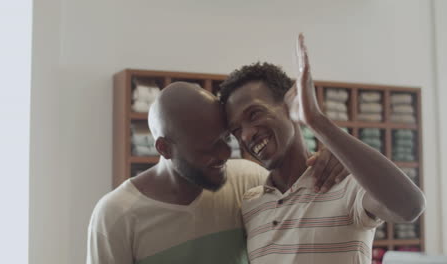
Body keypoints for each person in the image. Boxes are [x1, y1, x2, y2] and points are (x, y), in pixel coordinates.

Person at [86, 82, 349, 264]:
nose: (225, 153)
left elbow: (301, 195)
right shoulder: (116, 216)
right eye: (208, 148)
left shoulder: (246, 181)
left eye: (225, 138)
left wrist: (337, 158)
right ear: (165, 148)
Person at [219, 34, 426, 264]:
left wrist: (316, 120)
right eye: (237, 130)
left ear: (289, 105)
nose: (247, 135)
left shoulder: (343, 183)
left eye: (255, 114)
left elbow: (410, 207)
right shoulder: (250, 204)